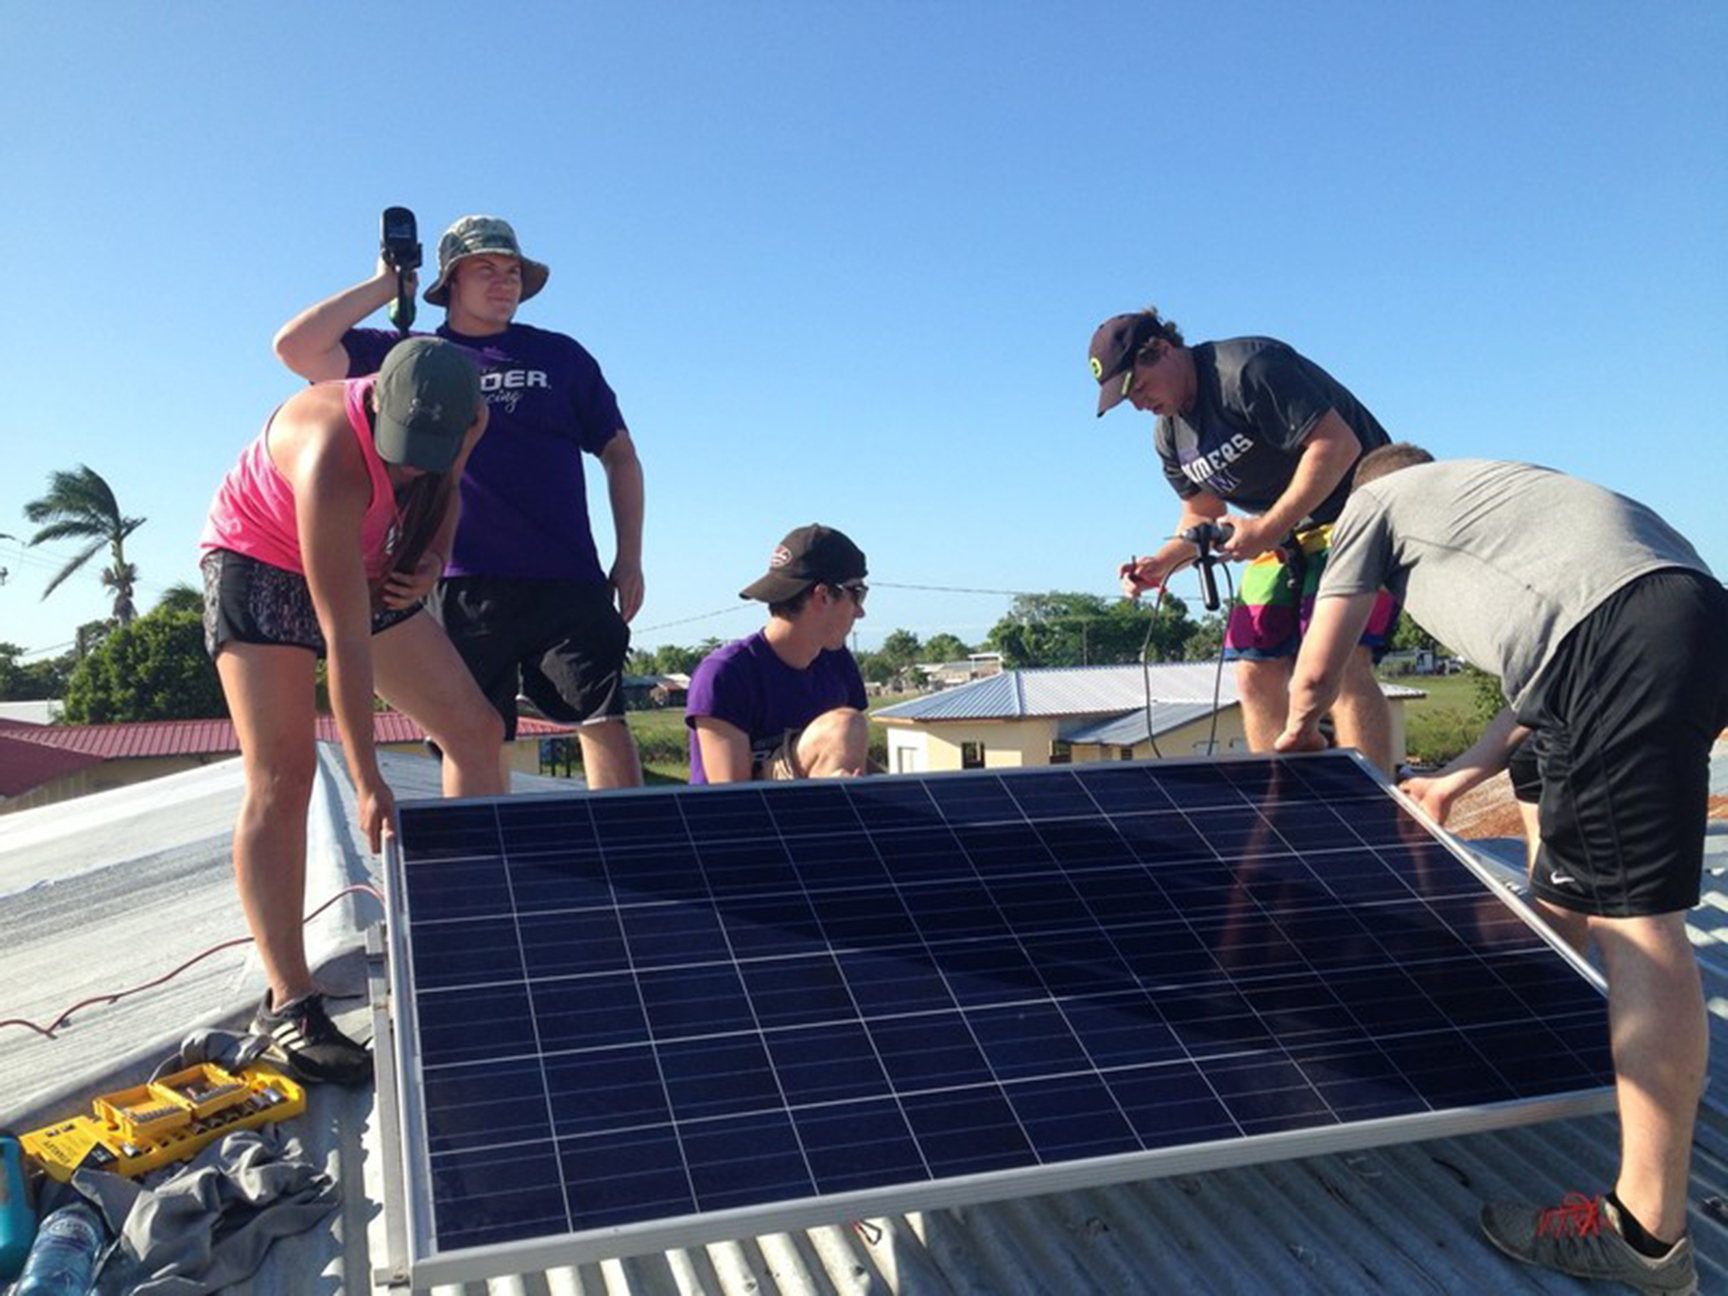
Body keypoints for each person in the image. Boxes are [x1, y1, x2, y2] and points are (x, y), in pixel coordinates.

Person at [1275, 442, 1727, 1292]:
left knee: (1637, 916)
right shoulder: (1511, 505)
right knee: (1579, 880)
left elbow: (1319, 663)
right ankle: (1533, 1026)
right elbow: (1544, 687)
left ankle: (1646, 1234)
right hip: (1689, 620)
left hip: (1617, 644)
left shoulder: (1376, 502)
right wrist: (1456, 778)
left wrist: (1299, 740)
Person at [200, 337, 507, 1084]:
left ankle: (460, 934)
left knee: (477, 730)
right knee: (284, 773)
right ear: (376, 405)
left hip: (367, 562)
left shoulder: (468, 419)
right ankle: (289, 1002)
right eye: (402, 451)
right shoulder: (329, 451)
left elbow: (448, 489)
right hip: (260, 561)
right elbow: (344, 642)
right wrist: (370, 779)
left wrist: (430, 559)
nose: (409, 468)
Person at [273, 214, 645, 790]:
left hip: (566, 575)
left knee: (601, 718)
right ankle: (487, 871)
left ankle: (629, 864)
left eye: (513, 271)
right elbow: (297, 348)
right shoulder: (408, 358)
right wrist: (383, 286)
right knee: (471, 738)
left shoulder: (563, 357)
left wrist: (630, 556)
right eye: (486, 270)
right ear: (449, 283)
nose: (505, 281)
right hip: (455, 581)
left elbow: (620, 456)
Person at [1090, 308, 1399, 772]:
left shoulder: (1247, 370)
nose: (1137, 403)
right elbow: (1200, 514)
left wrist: (1268, 529)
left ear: (1162, 350)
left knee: (1341, 664)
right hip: (1283, 535)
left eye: (1138, 386)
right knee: (1254, 671)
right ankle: (1285, 799)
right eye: (1125, 397)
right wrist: (1161, 564)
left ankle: (1378, 803)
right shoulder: (1170, 435)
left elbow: (1338, 445)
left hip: (1360, 512)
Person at [686, 524, 870, 784]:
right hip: (742, 820)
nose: (860, 612)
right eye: (858, 594)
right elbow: (730, 802)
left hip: (805, 815)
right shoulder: (725, 674)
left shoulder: (838, 663)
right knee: (843, 727)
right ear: (823, 595)